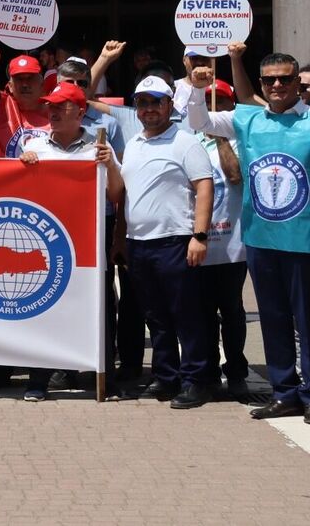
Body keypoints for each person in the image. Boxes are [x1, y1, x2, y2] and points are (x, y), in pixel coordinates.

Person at [186, 54, 310, 422]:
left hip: (303, 240)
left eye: (284, 79)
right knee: (273, 320)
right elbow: (200, 121)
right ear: (261, 83)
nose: (277, 86)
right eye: (269, 80)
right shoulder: (247, 118)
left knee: (307, 322)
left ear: (297, 82)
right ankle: (285, 393)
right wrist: (197, 90)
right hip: (260, 239)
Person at [17, 82, 124, 401]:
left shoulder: (98, 146)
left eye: (60, 106)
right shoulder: (34, 145)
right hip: (47, 242)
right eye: (49, 105)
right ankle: (38, 379)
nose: (52, 112)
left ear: (80, 112)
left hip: (89, 239)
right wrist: (23, 166)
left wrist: (109, 165)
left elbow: (116, 193)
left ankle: (105, 378)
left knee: (98, 309)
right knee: (43, 310)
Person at [120, 76, 214, 410]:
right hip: (139, 243)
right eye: (142, 103)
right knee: (156, 317)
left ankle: (196, 380)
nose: (149, 109)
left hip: (175, 240)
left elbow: (204, 187)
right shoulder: (133, 144)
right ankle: (167, 377)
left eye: (155, 102)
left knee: (186, 316)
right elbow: (125, 195)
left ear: (169, 105)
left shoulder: (185, 141)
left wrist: (199, 236)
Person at [188, 79, 251, 402]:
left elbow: (236, 176)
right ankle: (208, 374)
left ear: (231, 107)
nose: (214, 108)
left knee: (232, 311)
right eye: (209, 101)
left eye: (221, 102)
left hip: (231, 244)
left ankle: (237, 373)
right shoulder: (190, 141)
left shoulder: (241, 140)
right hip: (198, 241)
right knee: (202, 313)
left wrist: (220, 136)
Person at [0, 25, 51, 157]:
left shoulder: (56, 111)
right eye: (19, 79)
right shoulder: (2, 106)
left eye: (30, 78)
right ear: (10, 85)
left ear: (42, 83)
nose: (25, 84)